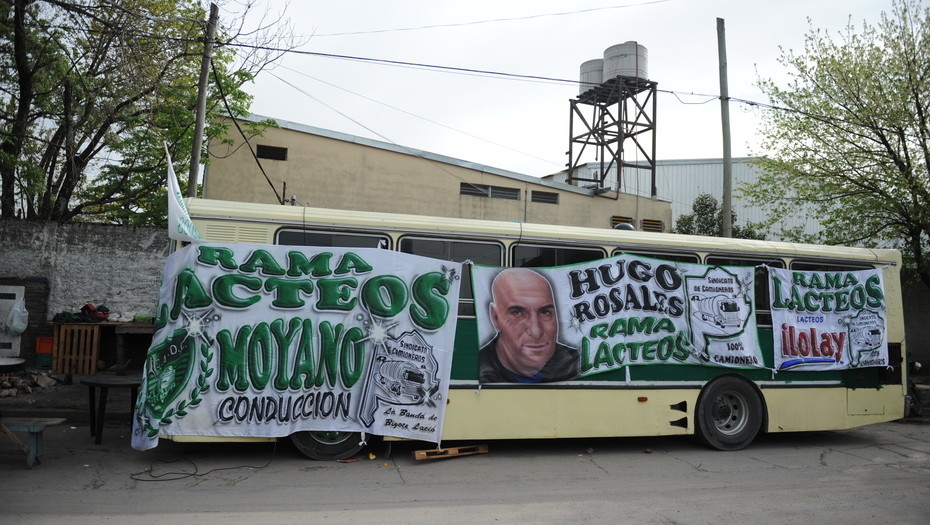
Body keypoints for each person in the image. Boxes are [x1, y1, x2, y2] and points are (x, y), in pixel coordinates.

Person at [479, 268, 580, 383]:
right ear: (496, 318)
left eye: (545, 312)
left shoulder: (577, 361)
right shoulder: (480, 369)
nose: (536, 331)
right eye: (517, 313)